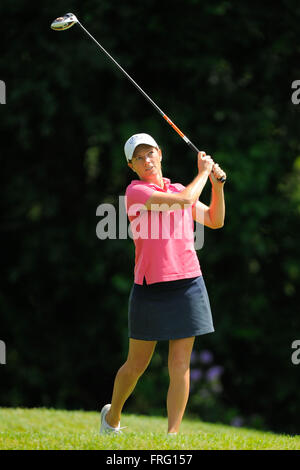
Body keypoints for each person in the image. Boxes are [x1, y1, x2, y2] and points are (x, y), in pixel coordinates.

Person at [100, 133, 226, 435]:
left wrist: (217, 187)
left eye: (150, 154)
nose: (147, 161)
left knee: (180, 363)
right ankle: (111, 417)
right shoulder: (137, 192)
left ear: (160, 153)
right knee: (136, 365)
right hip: (150, 287)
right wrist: (204, 172)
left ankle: (173, 435)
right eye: (139, 158)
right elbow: (184, 201)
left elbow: (214, 219)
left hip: (188, 282)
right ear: (132, 166)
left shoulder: (181, 187)